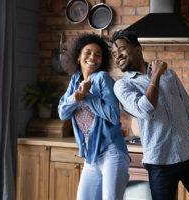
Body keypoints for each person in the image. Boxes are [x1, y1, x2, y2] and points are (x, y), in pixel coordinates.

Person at [110, 30, 189, 200]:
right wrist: (155, 74)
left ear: (138, 50)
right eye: (113, 54)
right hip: (159, 163)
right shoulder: (123, 86)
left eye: (121, 49)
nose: (117, 56)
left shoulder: (169, 75)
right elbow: (146, 110)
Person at [58, 34, 129, 200]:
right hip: (91, 155)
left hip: (112, 152)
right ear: (78, 57)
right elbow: (63, 113)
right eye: (88, 53)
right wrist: (75, 97)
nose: (93, 57)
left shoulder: (103, 78)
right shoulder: (75, 80)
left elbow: (113, 115)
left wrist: (87, 96)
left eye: (98, 54)